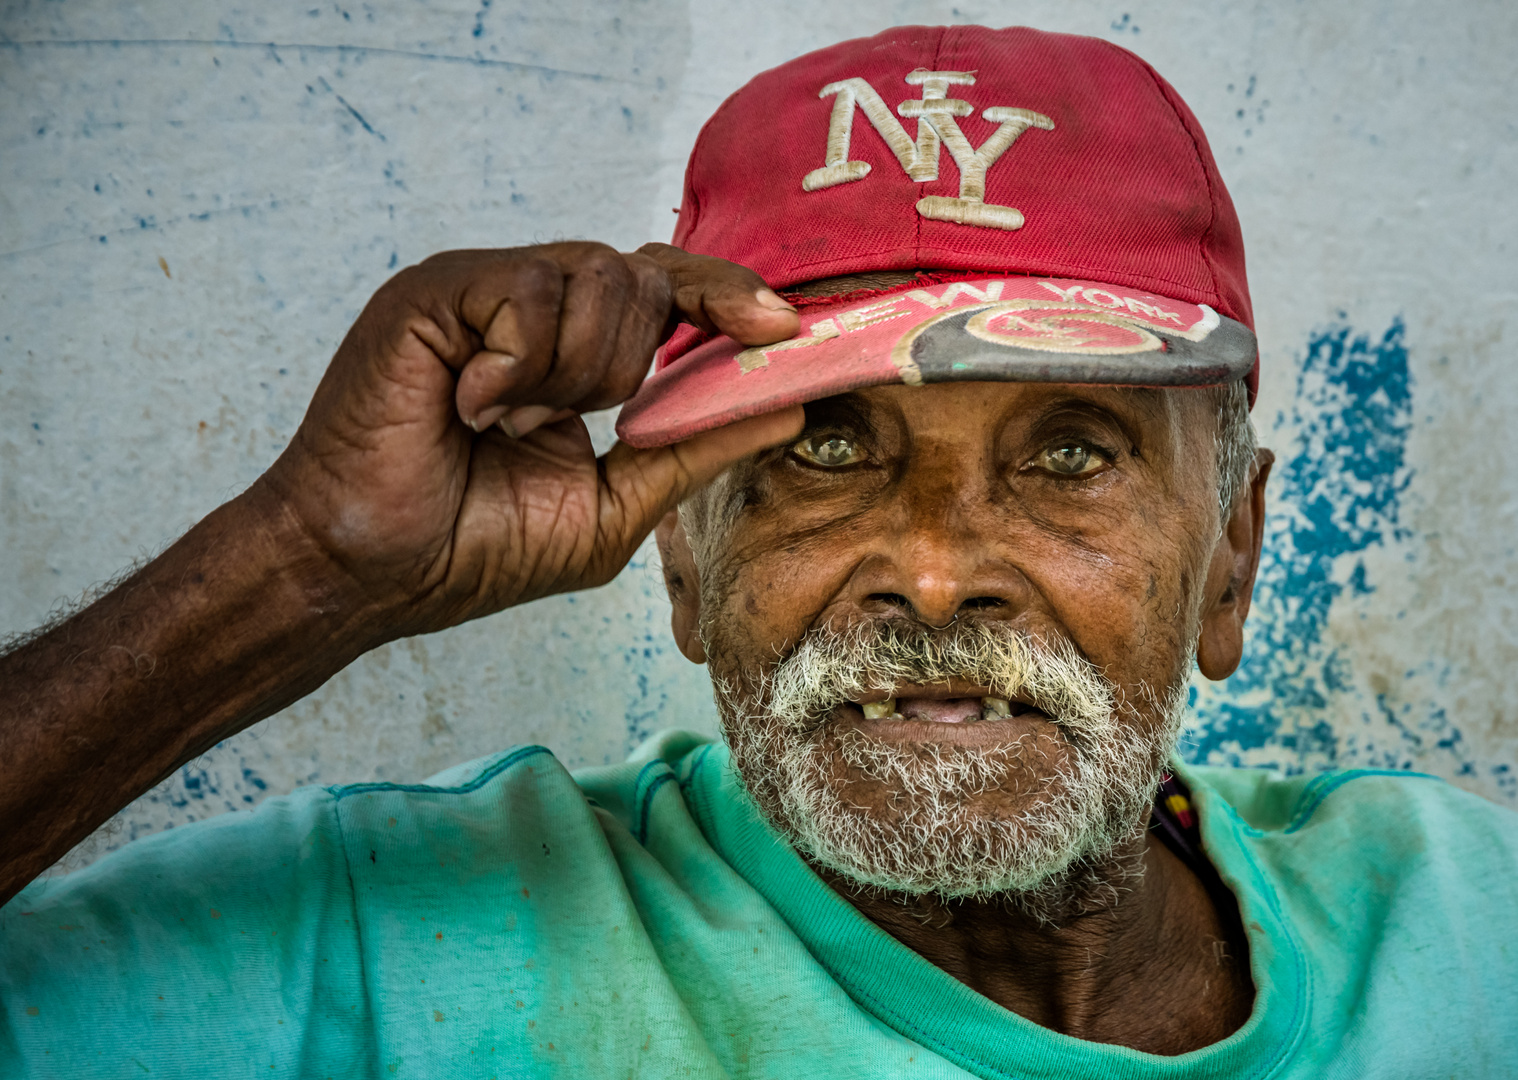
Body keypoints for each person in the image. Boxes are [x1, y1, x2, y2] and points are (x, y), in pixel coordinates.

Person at [0, 23, 1513, 1078]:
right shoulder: (381, 942)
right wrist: (305, 564)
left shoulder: (1463, 923)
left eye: (1068, 453)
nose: (932, 572)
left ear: (1231, 557)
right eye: (818, 447)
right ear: (679, 555)